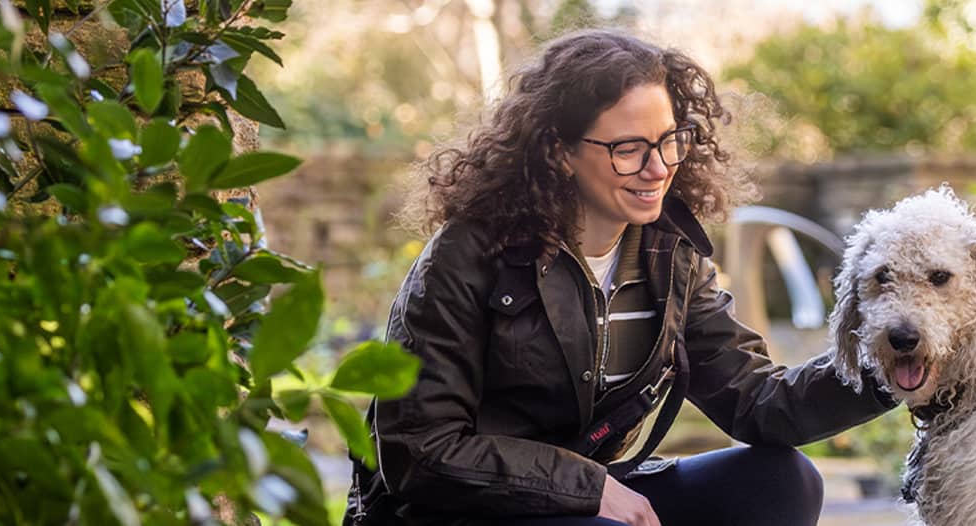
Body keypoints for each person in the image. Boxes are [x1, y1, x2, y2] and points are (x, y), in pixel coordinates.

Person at [343, 29, 896, 526]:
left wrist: (891, 365)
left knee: (783, 482)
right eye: (628, 148)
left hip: (588, 497)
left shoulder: (669, 254)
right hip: (457, 511)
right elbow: (419, 450)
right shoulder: (468, 254)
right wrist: (588, 487)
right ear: (559, 153)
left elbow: (756, 402)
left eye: (669, 140)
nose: (657, 168)